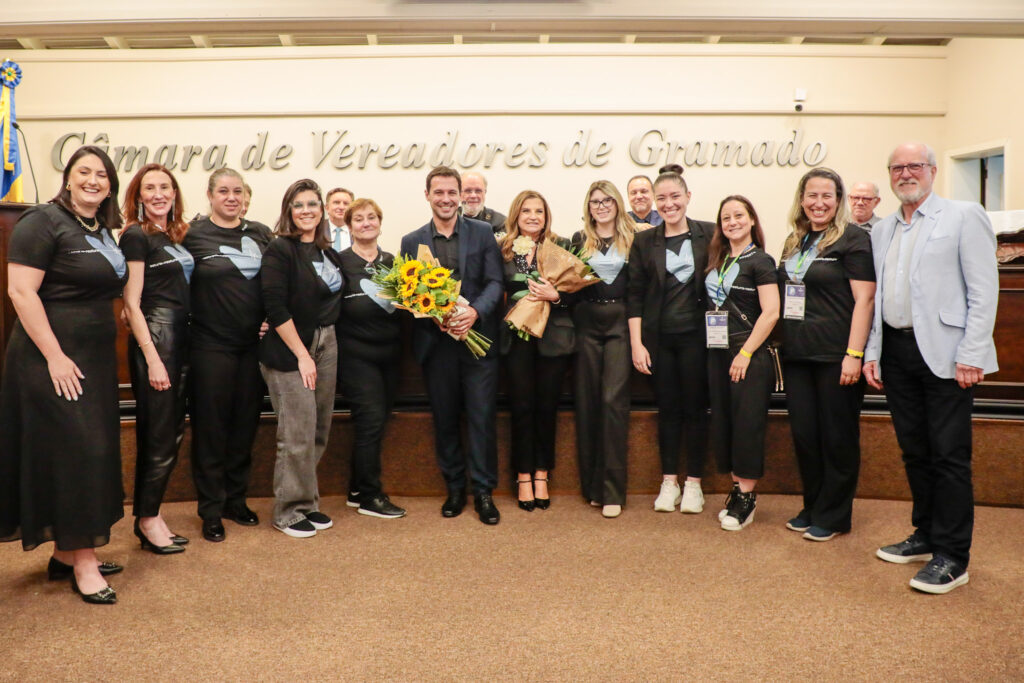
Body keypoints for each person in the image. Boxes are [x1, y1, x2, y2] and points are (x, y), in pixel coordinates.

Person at [864, 142, 998, 595]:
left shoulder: (963, 215)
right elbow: (880, 298)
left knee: (949, 456)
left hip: (946, 353)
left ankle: (953, 556)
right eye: (897, 166)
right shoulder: (882, 229)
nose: (906, 173)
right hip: (898, 354)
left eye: (914, 165)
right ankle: (925, 534)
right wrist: (872, 353)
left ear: (933, 171)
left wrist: (972, 353)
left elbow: (984, 290)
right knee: (914, 451)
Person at [0, 146, 127, 604]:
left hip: (91, 359)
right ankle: (85, 561)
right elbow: (20, 291)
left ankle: (67, 554)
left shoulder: (100, 228)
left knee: (83, 452)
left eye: (102, 174)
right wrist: (54, 355)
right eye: (84, 172)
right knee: (79, 454)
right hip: (50, 358)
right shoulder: (42, 221)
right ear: (68, 178)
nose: (93, 180)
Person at [400, 166, 504, 525]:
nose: (445, 199)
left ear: (461, 195)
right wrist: (434, 316)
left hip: (477, 344)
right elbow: (409, 295)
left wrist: (474, 313)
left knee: (481, 419)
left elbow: (494, 282)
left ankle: (484, 493)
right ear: (427, 195)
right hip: (436, 345)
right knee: (444, 420)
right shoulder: (411, 241)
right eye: (438, 192)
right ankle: (455, 489)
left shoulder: (483, 232)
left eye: (451, 193)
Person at [778, 167, 876, 542]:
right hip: (798, 353)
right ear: (801, 200)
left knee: (837, 436)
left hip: (837, 353)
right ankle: (813, 504)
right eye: (812, 196)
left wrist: (854, 353)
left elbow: (864, 300)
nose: (818, 203)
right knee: (805, 435)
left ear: (838, 201)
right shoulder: (795, 240)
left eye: (827, 196)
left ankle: (835, 514)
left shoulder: (852, 240)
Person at [183, 168, 273, 542]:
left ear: (246, 196)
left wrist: (272, 316)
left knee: (243, 427)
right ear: (210, 195)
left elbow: (278, 281)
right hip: (209, 346)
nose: (231, 197)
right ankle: (210, 510)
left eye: (237, 191)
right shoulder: (193, 235)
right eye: (223, 191)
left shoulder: (261, 233)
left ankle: (236, 500)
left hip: (252, 348)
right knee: (211, 429)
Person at [259, 179, 342, 538]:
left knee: (318, 427)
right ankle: (288, 511)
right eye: (299, 205)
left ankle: (307, 502)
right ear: (289, 211)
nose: (306, 210)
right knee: (296, 431)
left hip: (327, 342)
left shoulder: (328, 252)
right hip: (291, 349)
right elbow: (274, 307)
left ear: (322, 210)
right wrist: (302, 356)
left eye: (312, 204)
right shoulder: (280, 249)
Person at [627, 171, 711, 515]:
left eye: (675, 196)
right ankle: (669, 482)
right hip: (659, 341)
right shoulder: (645, 241)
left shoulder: (710, 233)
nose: (668, 204)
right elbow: (634, 296)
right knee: (669, 412)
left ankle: (694, 484)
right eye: (661, 199)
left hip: (700, 340)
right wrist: (637, 343)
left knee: (695, 410)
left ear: (688, 196)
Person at [120, 163, 193, 554]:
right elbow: (131, 303)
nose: (159, 193)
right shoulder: (136, 235)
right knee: (159, 436)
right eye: (150, 188)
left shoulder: (174, 235)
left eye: (166, 186)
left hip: (181, 339)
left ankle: (153, 514)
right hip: (158, 340)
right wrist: (153, 359)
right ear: (139, 195)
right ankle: (147, 520)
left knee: (171, 434)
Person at [703, 196, 780, 530]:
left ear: (751, 220)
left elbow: (772, 311)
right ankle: (737, 490)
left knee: (748, 425)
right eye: (726, 218)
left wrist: (746, 353)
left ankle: (747, 498)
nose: (732, 222)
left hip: (747, 353)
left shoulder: (760, 261)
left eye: (738, 216)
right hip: (717, 350)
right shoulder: (718, 259)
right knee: (726, 421)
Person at [498, 190, 573, 511]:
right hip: (515, 339)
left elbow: (576, 294)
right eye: (526, 210)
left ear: (546, 216)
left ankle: (542, 473)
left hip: (552, 339)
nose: (532, 216)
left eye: (538, 211)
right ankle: (523, 474)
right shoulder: (501, 250)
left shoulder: (562, 246)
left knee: (546, 407)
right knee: (522, 407)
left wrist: (555, 295)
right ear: (516, 215)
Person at [336, 198, 406, 519]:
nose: (366, 223)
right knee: (370, 421)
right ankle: (370, 496)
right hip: (355, 356)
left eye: (371, 218)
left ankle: (356, 488)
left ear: (380, 222)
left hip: (390, 356)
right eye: (359, 219)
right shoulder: (337, 262)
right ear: (349, 227)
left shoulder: (394, 262)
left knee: (376, 422)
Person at [573, 180, 637, 519]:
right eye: (595, 201)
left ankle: (613, 490)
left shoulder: (634, 239)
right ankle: (593, 487)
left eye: (607, 200)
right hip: (586, 325)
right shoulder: (578, 241)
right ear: (589, 206)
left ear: (617, 203)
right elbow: (568, 287)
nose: (601, 206)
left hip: (620, 325)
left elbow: (640, 288)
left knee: (613, 403)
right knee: (588, 404)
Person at [326, 187, 354, 254]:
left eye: (346, 203)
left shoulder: (359, 230)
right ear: (327, 207)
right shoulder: (317, 230)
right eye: (336, 202)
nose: (341, 207)